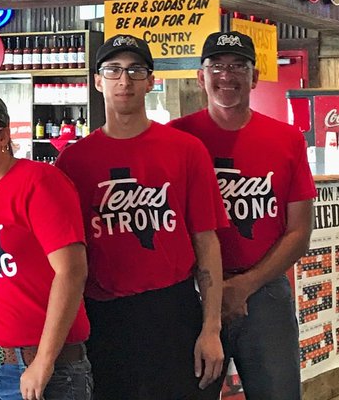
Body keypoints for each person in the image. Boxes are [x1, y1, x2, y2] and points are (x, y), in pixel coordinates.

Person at [56, 35, 227, 400]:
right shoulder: (73, 161)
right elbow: (64, 256)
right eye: (113, 70)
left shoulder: (186, 150)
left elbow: (206, 240)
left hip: (173, 310)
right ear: (98, 81)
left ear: (151, 81)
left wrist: (211, 327)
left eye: (136, 70)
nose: (124, 80)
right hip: (102, 316)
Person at [172, 31, 315, 400]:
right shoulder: (176, 139)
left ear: (254, 77)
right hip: (192, 294)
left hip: (264, 293)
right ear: (200, 77)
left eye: (238, 66)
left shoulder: (287, 139)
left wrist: (246, 284)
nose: (227, 75)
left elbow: (299, 232)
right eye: (216, 66)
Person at [0, 90, 91, 400]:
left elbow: (72, 272)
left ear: (4, 135)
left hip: (36, 366)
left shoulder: (39, 180)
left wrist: (44, 362)